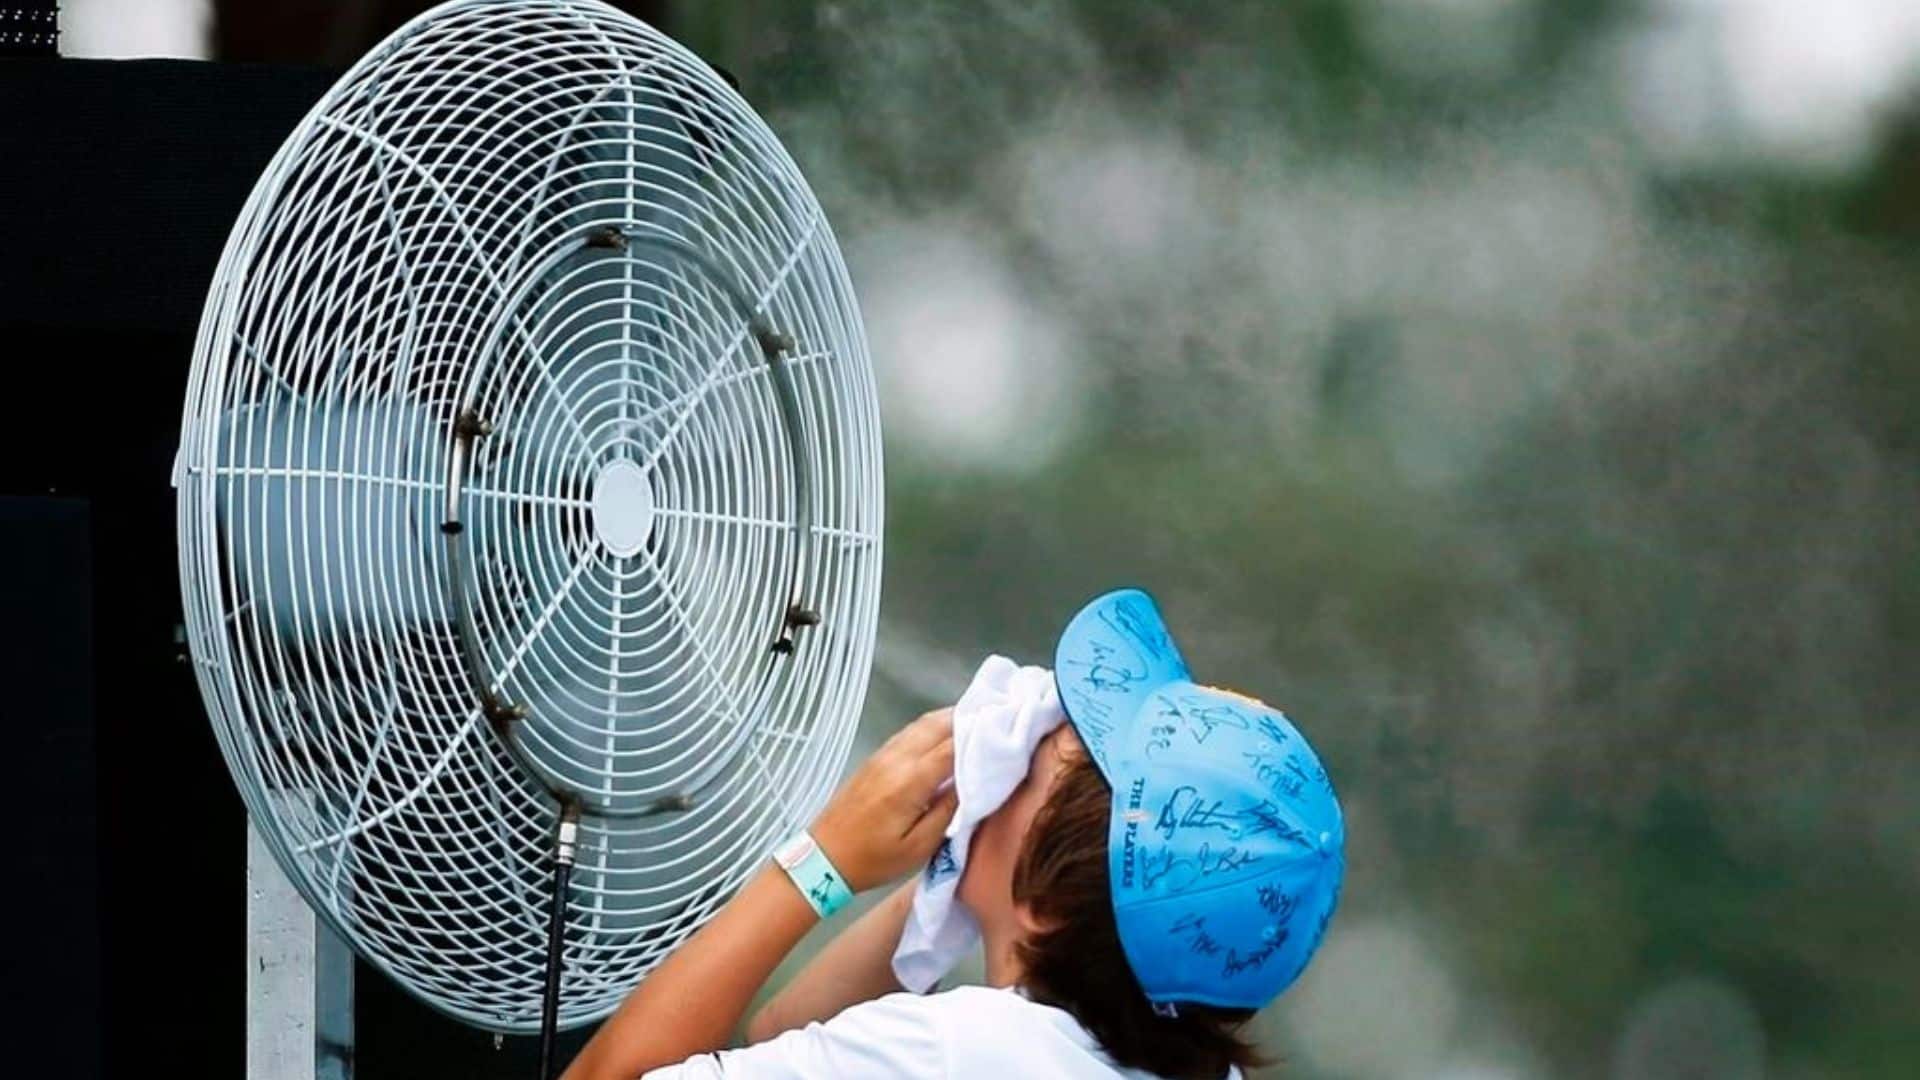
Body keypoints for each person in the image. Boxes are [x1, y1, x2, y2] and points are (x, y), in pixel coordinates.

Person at [564, 588, 1345, 1080]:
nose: (1023, 725)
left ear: (1044, 900)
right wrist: (957, 874)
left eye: (1044, 748)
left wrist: (820, 863)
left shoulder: (959, 1053)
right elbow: (784, 1039)